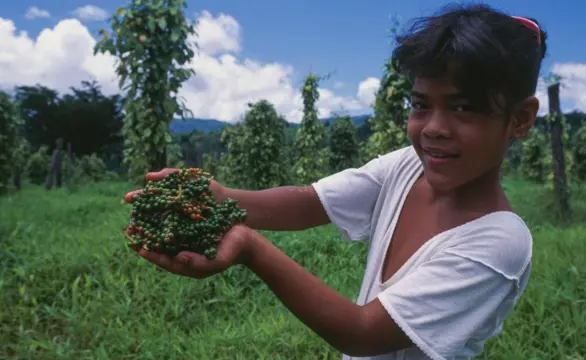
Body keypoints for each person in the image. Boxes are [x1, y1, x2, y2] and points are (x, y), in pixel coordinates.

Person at [123, 3, 546, 359]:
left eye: (464, 109)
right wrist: (219, 197)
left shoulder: (498, 244)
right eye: (420, 104)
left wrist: (251, 247)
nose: (433, 127)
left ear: (521, 119)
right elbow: (311, 202)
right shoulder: (406, 167)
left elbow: (362, 332)